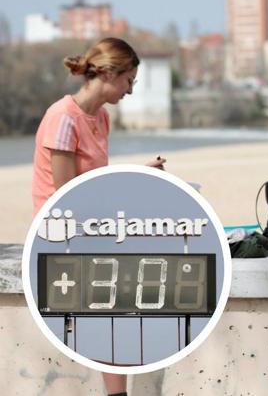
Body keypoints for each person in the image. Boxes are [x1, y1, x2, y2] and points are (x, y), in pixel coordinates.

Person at [32, 37, 165, 396]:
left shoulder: (99, 117)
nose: (131, 90)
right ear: (109, 73)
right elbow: (66, 195)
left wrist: (137, 175)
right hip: (61, 233)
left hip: (88, 226)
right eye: (129, 81)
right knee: (116, 306)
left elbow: (92, 185)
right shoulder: (62, 118)